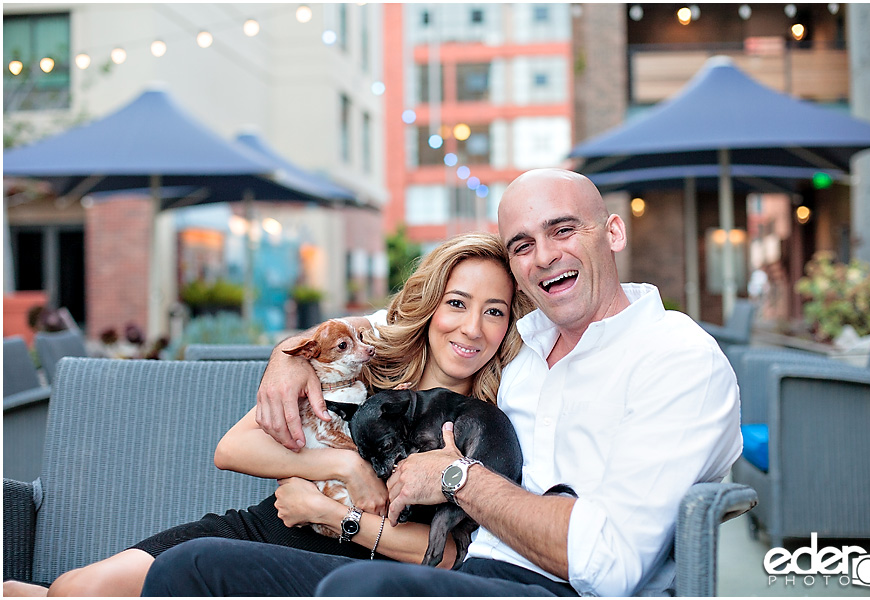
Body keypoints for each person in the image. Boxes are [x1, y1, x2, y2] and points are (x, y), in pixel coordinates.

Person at [142, 168, 742, 597]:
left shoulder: (675, 358)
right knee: (191, 571)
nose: (544, 256)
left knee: (360, 589)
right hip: (453, 574)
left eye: (564, 230)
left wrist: (457, 477)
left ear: (612, 232)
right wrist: (291, 353)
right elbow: (400, 323)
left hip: (553, 590)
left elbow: (604, 566)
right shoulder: (520, 348)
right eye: (523, 245)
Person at [3, 232, 531, 597]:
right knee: (75, 589)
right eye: (457, 303)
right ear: (431, 304)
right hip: (262, 528)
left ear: (509, 324)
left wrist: (333, 516)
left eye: (494, 311)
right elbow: (233, 448)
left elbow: (443, 555)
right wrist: (343, 467)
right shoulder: (361, 370)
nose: (472, 329)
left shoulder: (480, 424)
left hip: (346, 566)